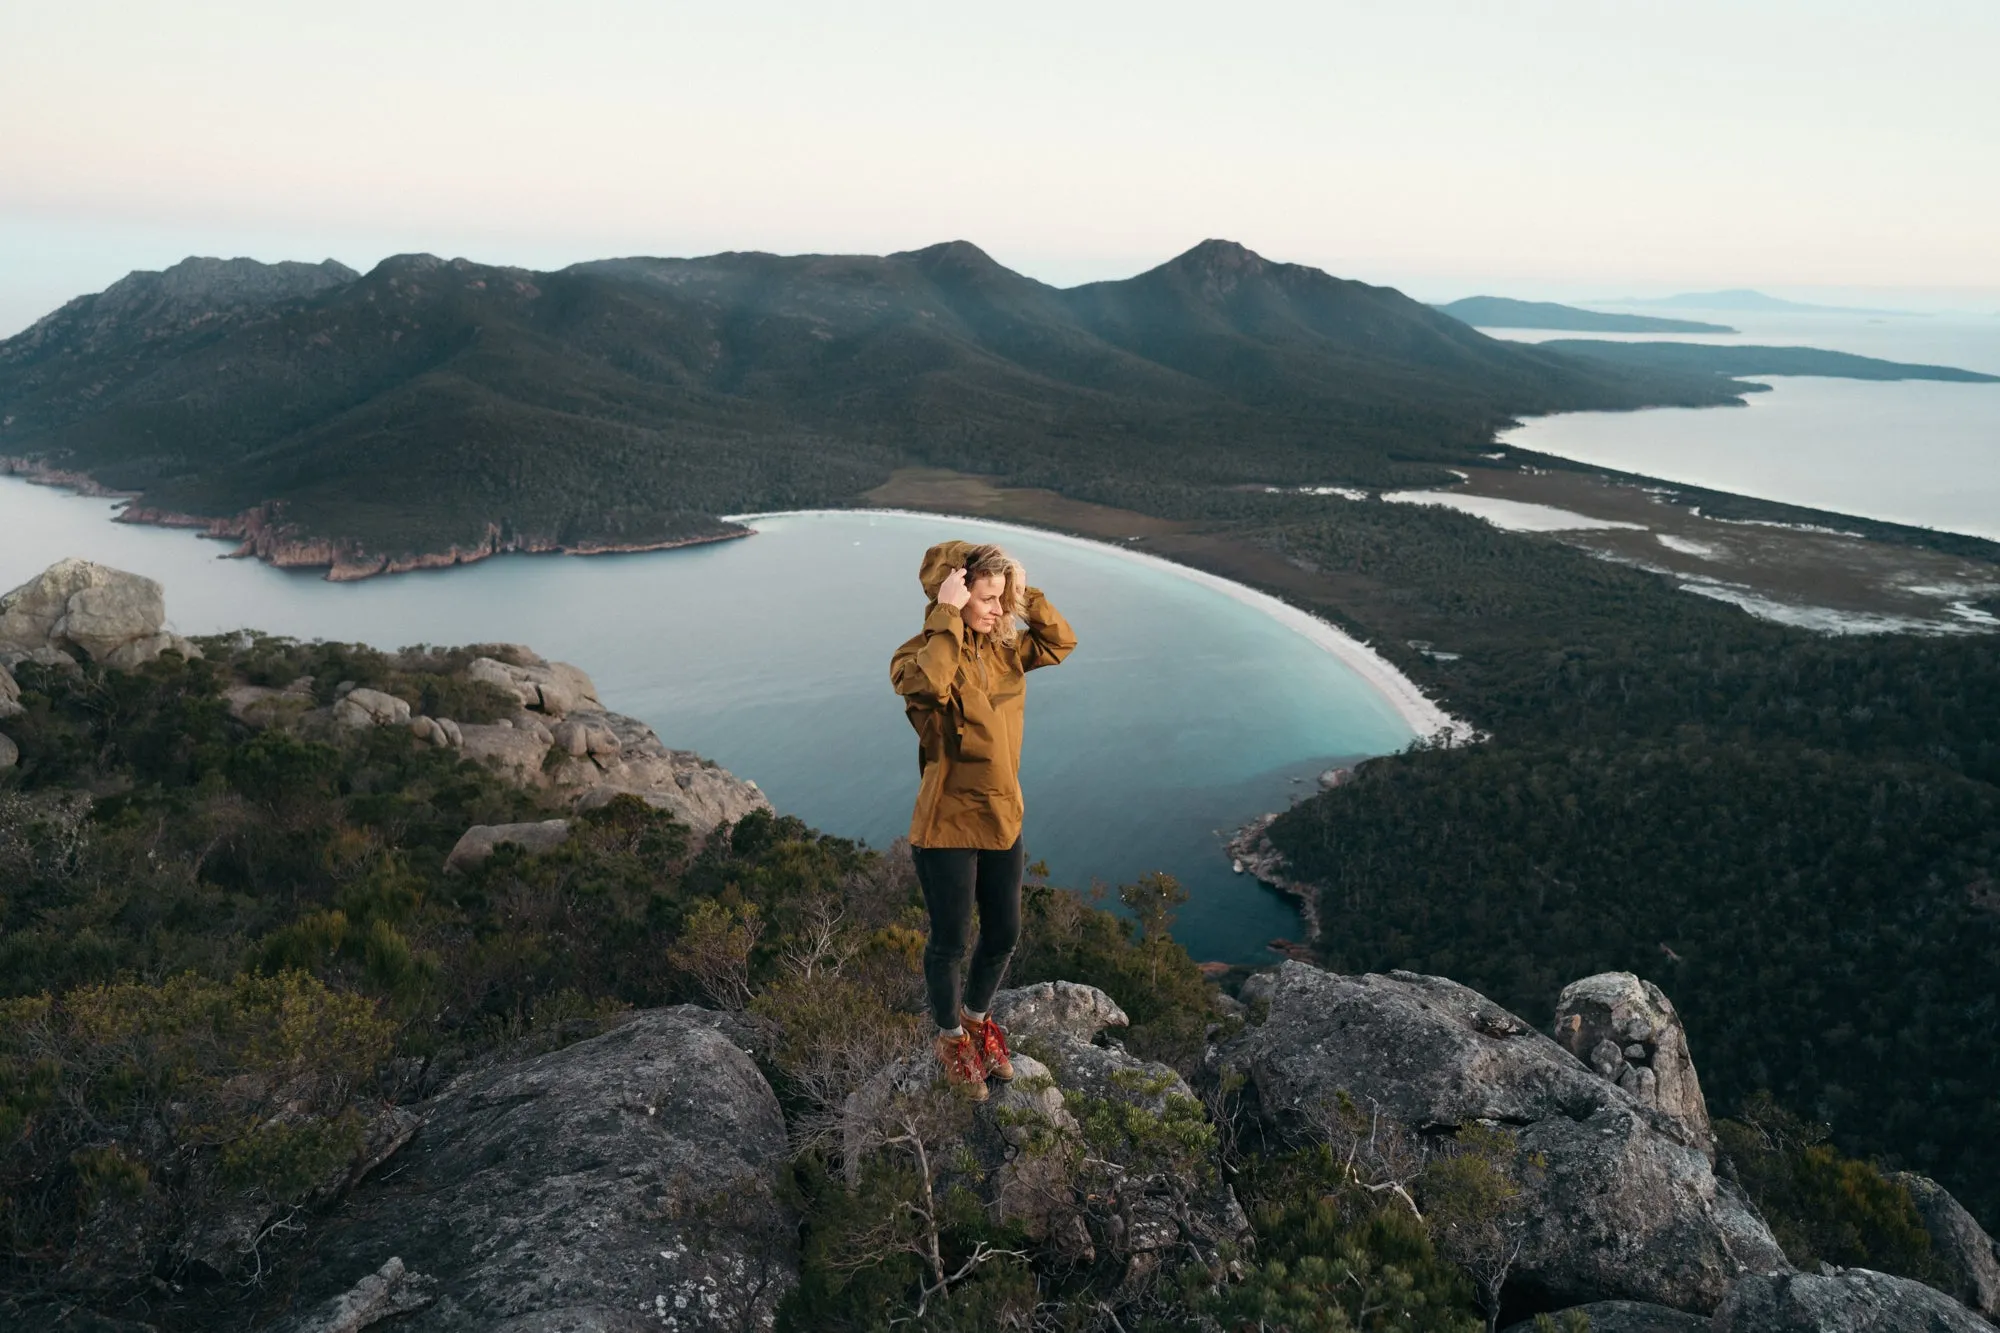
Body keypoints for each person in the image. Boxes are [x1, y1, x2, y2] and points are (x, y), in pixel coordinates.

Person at [890, 540, 1077, 1100]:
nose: (999, 609)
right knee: (950, 940)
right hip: (947, 822)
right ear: (954, 591)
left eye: (1004, 598)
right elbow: (930, 687)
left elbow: (1060, 641)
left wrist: (1022, 587)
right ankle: (949, 1040)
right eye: (988, 598)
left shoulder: (1004, 649)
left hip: (1002, 816)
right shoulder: (918, 654)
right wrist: (946, 615)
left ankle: (974, 1019)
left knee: (1004, 932)